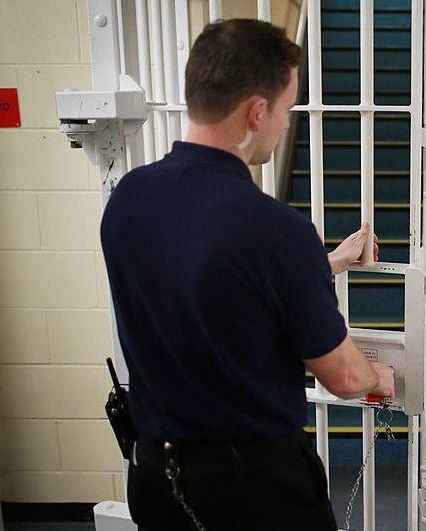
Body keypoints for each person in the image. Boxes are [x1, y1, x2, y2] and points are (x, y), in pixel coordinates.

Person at [99, 18, 394, 530]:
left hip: (153, 477)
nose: (286, 123)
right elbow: (343, 377)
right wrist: (381, 378)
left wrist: (325, 264)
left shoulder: (128, 198)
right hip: (252, 491)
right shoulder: (275, 229)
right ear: (257, 112)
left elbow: (205, 283)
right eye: (286, 110)